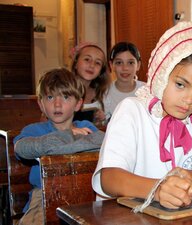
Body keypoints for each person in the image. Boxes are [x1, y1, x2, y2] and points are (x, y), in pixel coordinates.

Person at [92, 21, 192, 210]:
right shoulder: (132, 111)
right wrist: (158, 189)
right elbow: (109, 178)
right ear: (161, 74)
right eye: (181, 85)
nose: (189, 100)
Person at [13, 68, 105, 225]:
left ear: (78, 104)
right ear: (41, 104)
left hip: (85, 195)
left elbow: (105, 143)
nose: (57, 104)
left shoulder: (86, 126)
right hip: (43, 197)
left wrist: (76, 136)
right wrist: (68, 135)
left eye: (66, 97)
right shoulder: (34, 131)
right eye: (50, 97)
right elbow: (21, 149)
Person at [70, 42, 111, 125]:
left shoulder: (102, 94)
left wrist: (102, 121)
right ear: (75, 64)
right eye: (87, 59)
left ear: (101, 71)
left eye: (97, 63)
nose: (92, 65)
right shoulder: (61, 91)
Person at [103, 42, 146, 119]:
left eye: (130, 63)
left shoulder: (147, 91)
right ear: (111, 65)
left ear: (138, 65)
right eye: (119, 63)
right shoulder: (104, 92)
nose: (125, 68)